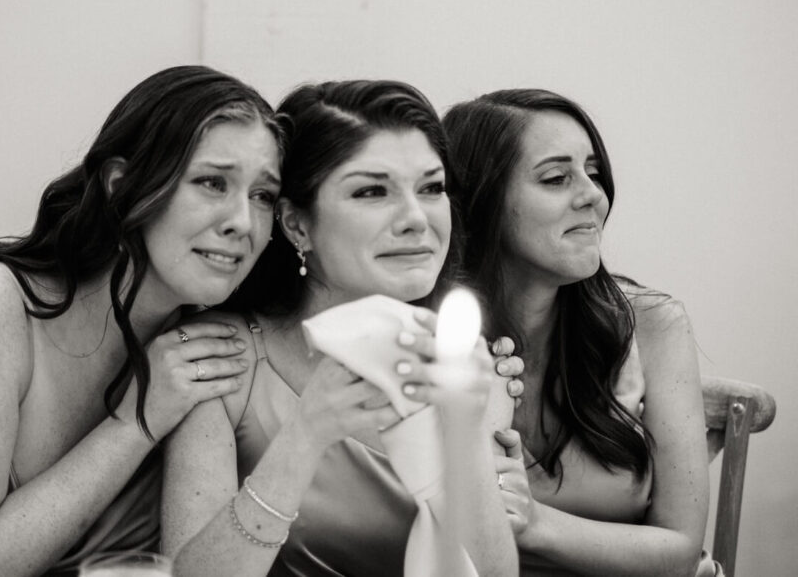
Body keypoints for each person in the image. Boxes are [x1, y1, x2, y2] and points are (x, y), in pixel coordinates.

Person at [0, 65, 286, 576]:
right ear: (121, 187)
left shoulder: (201, 346)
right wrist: (138, 419)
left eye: (263, 196)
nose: (242, 223)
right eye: (211, 182)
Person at [162, 80, 519, 577]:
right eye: (373, 191)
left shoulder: (466, 359)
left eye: (431, 188)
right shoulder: (221, 359)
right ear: (297, 225)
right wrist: (306, 434)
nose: (417, 219)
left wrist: (466, 443)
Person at [442, 88, 712, 576]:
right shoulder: (436, 340)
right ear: (482, 200)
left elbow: (680, 551)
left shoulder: (652, 324)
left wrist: (533, 524)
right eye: (556, 178)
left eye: (592, 172)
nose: (593, 194)